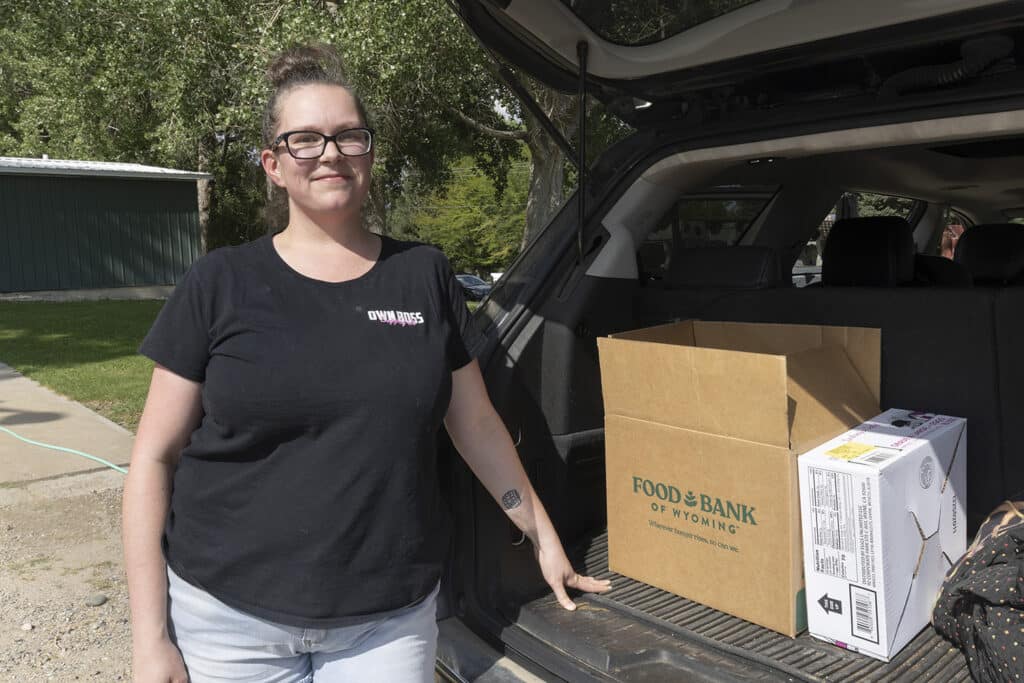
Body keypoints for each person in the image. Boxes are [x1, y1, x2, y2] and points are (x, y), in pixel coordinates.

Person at [122, 44, 611, 683]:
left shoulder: (423, 274)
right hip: (228, 621)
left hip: (386, 623)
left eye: (349, 137)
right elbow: (153, 459)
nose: (330, 153)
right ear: (273, 164)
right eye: (305, 140)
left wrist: (544, 536)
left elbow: (476, 426)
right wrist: (150, 638)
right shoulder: (221, 282)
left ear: (370, 154)